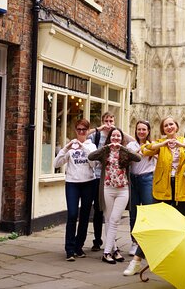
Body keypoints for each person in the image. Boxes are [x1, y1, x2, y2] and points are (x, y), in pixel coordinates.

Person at [123, 116, 185, 276]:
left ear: (176, 126)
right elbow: (145, 150)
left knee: (181, 229)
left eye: (171, 124)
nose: (169, 127)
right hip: (162, 190)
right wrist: (164, 143)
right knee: (154, 227)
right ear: (163, 129)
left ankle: (179, 263)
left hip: (182, 192)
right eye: (166, 125)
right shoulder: (160, 144)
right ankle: (136, 261)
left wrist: (182, 144)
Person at [88, 127, 141, 264]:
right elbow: (91, 156)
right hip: (107, 189)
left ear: (121, 138)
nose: (116, 139)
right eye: (113, 136)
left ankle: (106, 252)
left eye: (118, 136)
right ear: (110, 138)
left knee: (115, 219)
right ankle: (114, 250)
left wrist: (122, 148)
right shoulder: (105, 151)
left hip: (122, 190)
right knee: (109, 219)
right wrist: (106, 147)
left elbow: (138, 157)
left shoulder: (124, 151)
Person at [52, 119, 97, 261]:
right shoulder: (71, 145)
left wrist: (83, 147)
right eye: (79, 129)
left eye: (84, 129)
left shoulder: (92, 146)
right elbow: (56, 164)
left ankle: (79, 247)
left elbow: (94, 164)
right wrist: (66, 148)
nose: (81, 132)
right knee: (72, 215)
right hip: (72, 183)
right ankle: (69, 249)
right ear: (75, 130)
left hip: (89, 183)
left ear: (88, 131)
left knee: (84, 216)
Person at [126, 120, 156, 256]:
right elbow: (129, 158)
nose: (141, 132)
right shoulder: (131, 145)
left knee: (148, 212)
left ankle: (148, 242)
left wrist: (149, 150)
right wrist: (140, 150)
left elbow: (159, 156)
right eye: (139, 129)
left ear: (148, 131)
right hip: (133, 179)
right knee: (134, 212)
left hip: (147, 178)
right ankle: (135, 242)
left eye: (144, 129)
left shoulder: (153, 145)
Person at [88, 112, 116, 252]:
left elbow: (130, 141)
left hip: (111, 178)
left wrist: (117, 130)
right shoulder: (96, 135)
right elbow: (84, 134)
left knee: (110, 211)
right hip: (97, 176)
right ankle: (97, 241)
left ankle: (111, 241)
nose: (108, 123)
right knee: (98, 210)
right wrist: (99, 128)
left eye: (111, 120)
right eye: (106, 120)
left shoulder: (116, 136)